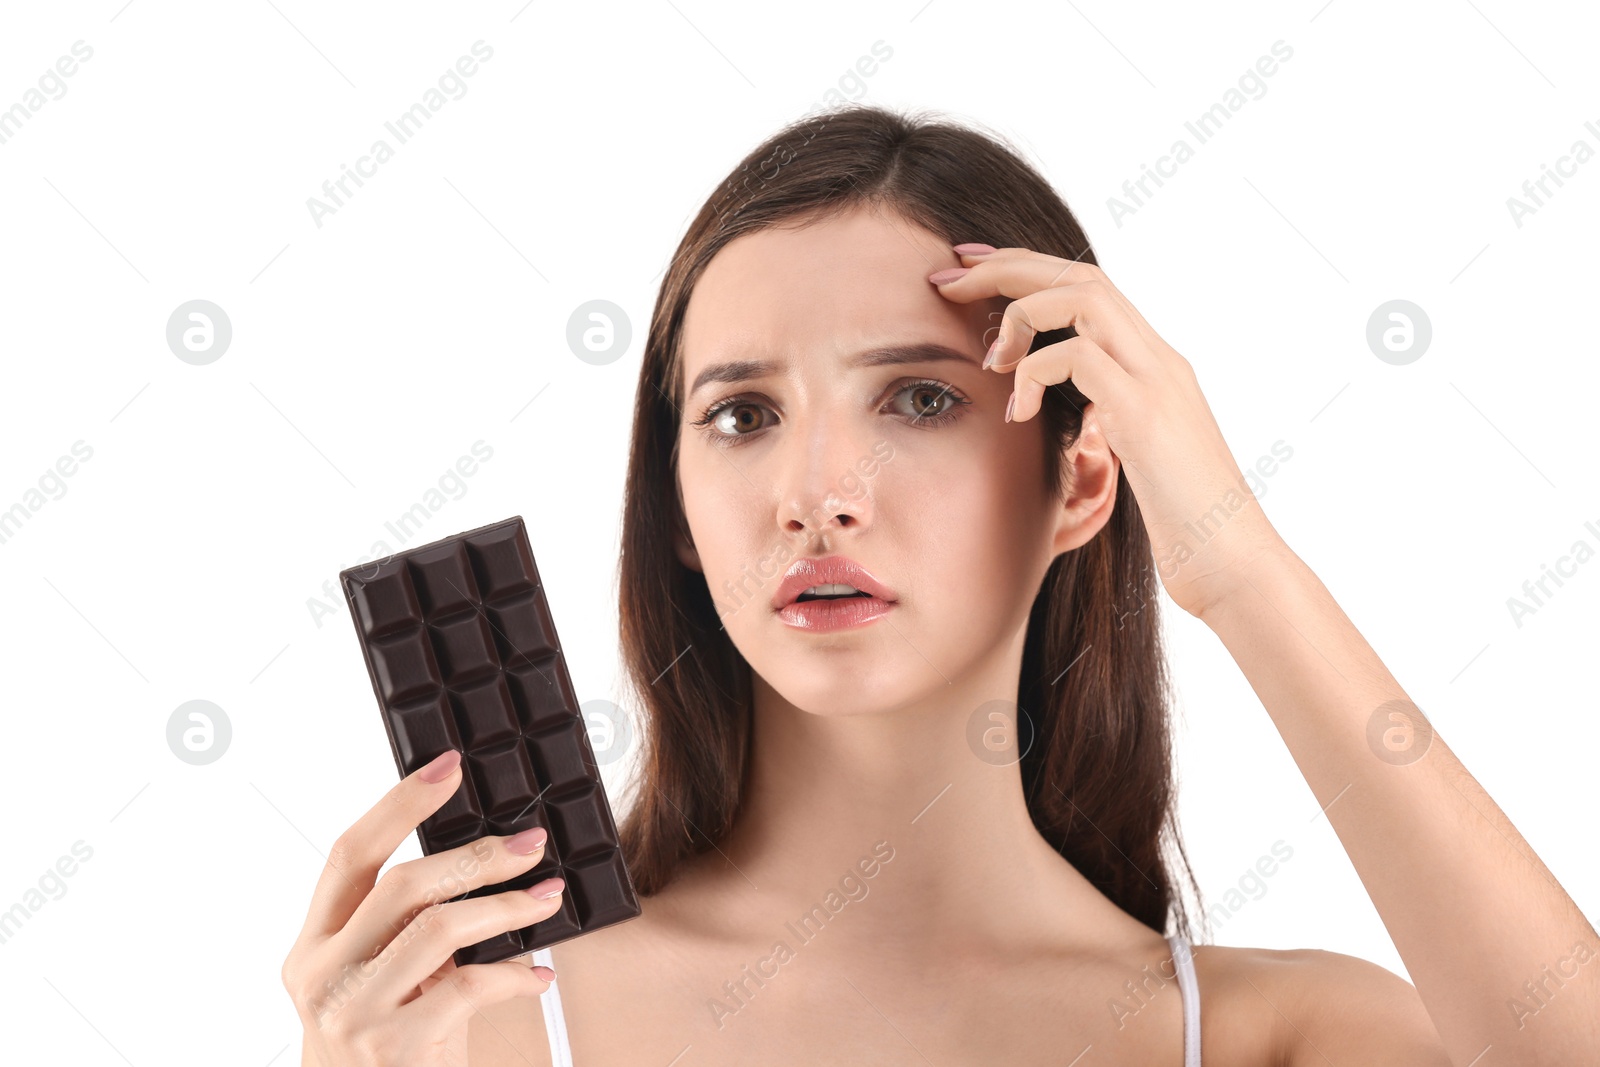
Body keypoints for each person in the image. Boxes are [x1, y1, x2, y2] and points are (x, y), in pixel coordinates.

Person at [282, 104, 1599, 1065]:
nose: (816, 490)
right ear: (677, 511)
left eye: (919, 396)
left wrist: (1239, 563)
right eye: (742, 415)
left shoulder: (1277, 1037)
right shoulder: (485, 1030)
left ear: (1085, 481)